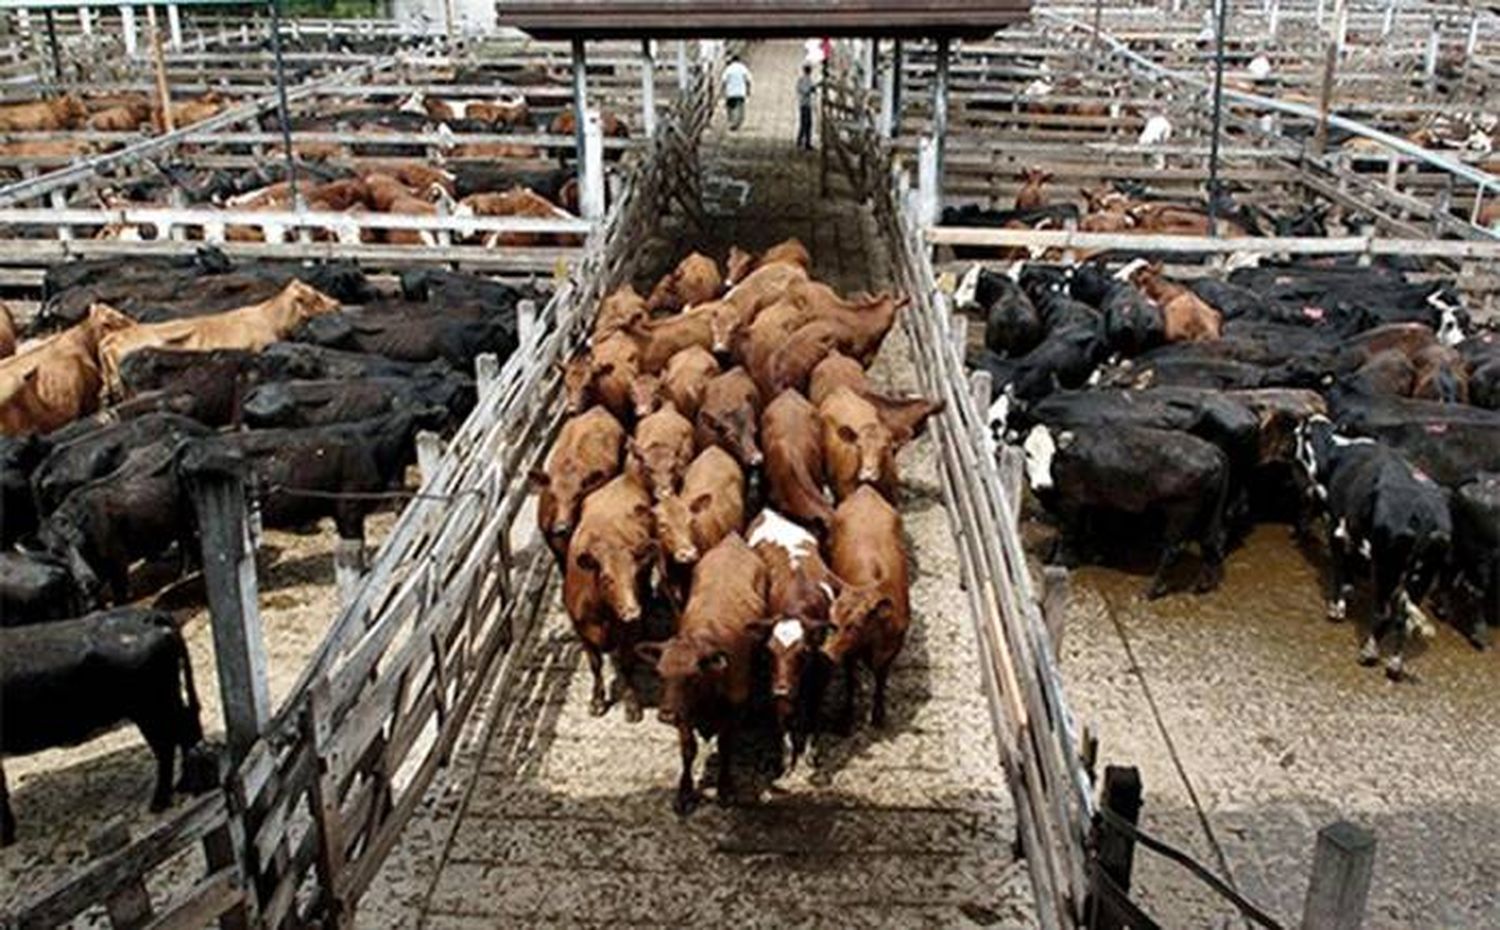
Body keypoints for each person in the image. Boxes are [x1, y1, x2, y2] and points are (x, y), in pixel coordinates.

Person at [723, 55, 752, 131]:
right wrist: (748, 90)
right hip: (740, 92)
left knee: (731, 108)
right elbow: (748, 80)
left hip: (731, 92)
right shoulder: (743, 68)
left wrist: (723, 91)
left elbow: (724, 80)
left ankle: (732, 121)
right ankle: (738, 122)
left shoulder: (728, 69)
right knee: (740, 108)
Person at [796, 63, 817, 150]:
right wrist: (810, 90)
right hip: (805, 104)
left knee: (807, 124)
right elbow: (804, 90)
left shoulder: (803, 80)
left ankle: (804, 141)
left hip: (805, 103)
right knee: (805, 123)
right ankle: (803, 141)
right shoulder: (805, 80)